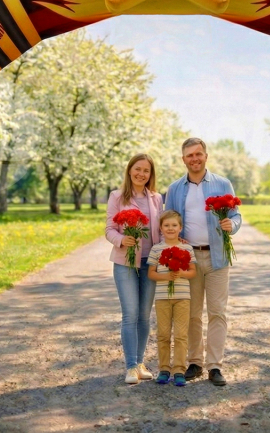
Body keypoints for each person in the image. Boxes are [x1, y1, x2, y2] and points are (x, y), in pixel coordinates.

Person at [164, 138, 241, 386]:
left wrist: (232, 225)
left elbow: (236, 215)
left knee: (217, 312)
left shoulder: (222, 184)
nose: (194, 159)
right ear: (183, 159)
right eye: (189, 155)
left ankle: (215, 366)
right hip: (189, 260)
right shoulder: (175, 189)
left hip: (217, 257)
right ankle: (195, 362)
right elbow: (168, 221)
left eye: (198, 154)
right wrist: (174, 239)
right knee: (192, 314)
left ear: (206, 156)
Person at [105, 153, 163, 384]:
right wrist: (121, 239)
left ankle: (140, 363)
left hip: (150, 262)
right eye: (137, 169)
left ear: (151, 174)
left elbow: (160, 229)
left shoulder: (156, 198)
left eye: (146, 170)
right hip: (125, 263)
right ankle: (130, 367)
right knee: (130, 314)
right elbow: (109, 229)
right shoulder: (117, 196)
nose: (141, 174)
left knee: (144, 316)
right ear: (130, 170)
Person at [147, 210, 197, 387]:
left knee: (181, 335)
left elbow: (193, 272)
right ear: (160, 228)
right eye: (166, 225)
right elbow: (151, 273)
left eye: (174, 225)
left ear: (180, 228)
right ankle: (164, 369)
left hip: (183, 297)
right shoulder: (156, 249)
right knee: (163, 334)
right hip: (162, 298)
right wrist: (166, 277)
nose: (170, 228)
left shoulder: (187, 248)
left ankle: (179, 370)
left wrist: (181, 273)